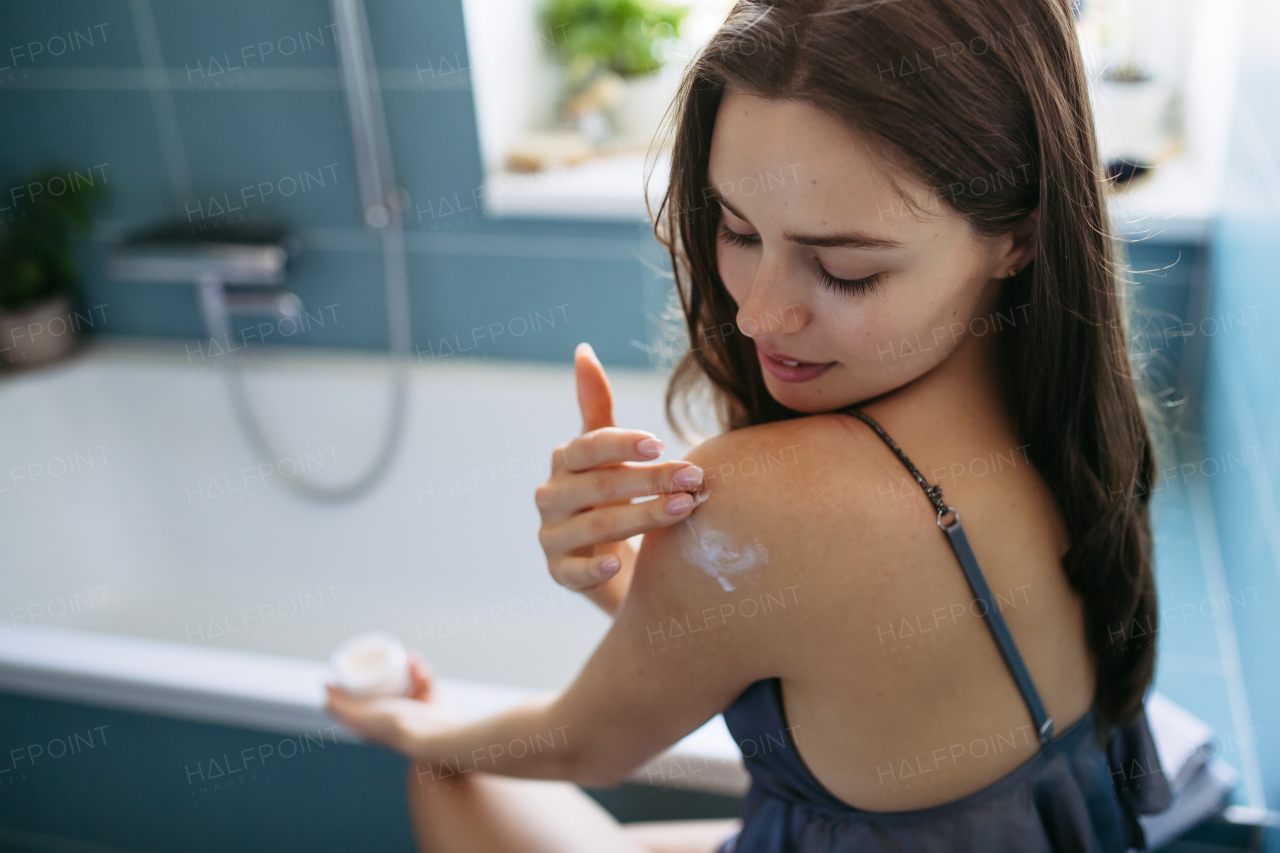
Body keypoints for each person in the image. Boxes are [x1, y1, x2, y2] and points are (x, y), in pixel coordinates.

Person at [325, 0, 1170, 849]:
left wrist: (410, 726)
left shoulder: (768, 497)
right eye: (735, 228)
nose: (758, 315)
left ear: (1016, 237)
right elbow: (786, 620)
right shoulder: (1071, 431)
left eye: (844, 270)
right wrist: (623, 571)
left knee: (450, 777)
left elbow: (593, 743)